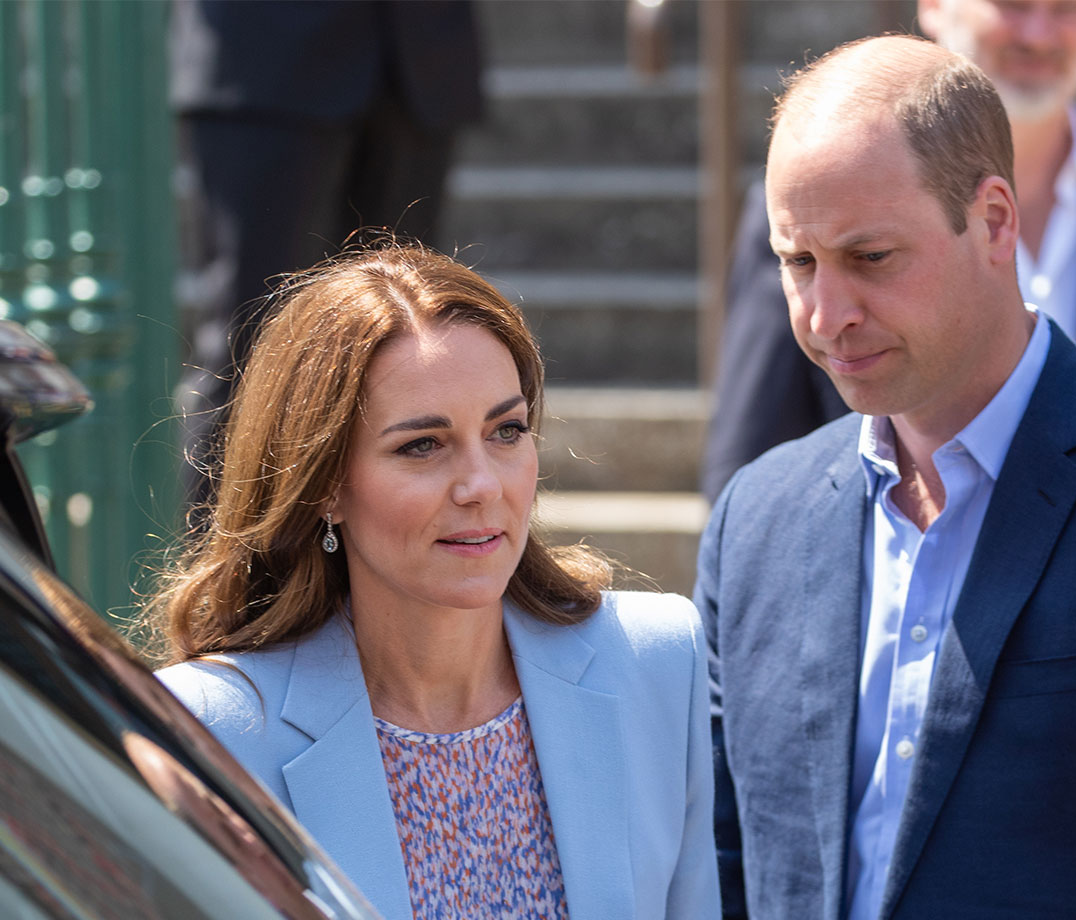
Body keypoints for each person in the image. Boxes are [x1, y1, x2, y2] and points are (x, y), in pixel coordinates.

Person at [695, 34, 1076, 920]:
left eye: (871, 258)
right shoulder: (756, 522)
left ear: (997, 221)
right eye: (798, 262)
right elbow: (721, 865)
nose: (826, 315)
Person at [151, 241, 720, 920]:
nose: (481, 485)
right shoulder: (211, 728)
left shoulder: (657, 662)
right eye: (422, 445)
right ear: (324, 486)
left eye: (506, 431)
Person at [701, 0, 1076, 502]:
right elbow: (752, 466)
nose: (1039, 33)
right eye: (1013, 4)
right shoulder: (807, 211)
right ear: (934, 6)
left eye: (1067, 6)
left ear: (995, 221)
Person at [169, 0, 484, 505]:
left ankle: (406, 568)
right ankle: (225, 574)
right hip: (265, 53)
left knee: (408, 336)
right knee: (251, 340)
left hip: (416, 52)